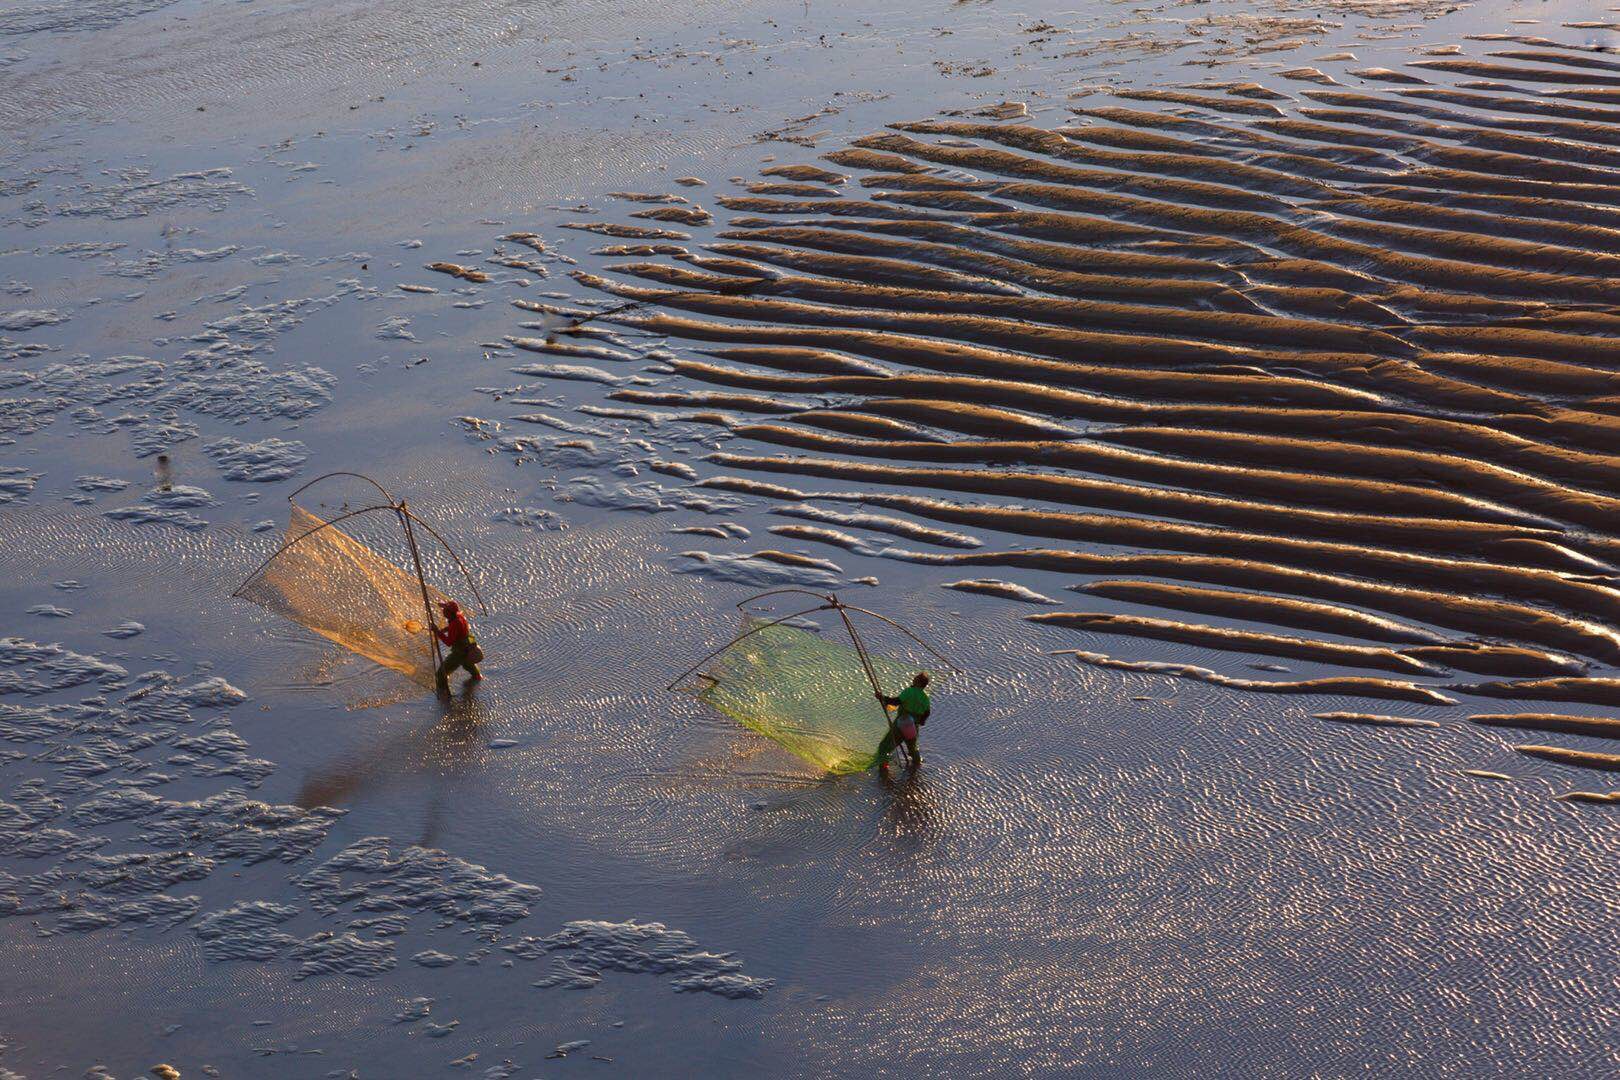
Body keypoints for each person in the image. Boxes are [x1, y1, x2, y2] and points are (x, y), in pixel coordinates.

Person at [875, 671, 930, 770]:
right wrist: (921, 721)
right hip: (913, 727)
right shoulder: (925, 697)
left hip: (901, 725)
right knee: (912, 748)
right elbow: (927, 713)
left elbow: (896, 702)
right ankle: (917, 765)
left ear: (918, 682)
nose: (913, 679)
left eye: (915, 678)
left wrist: (882, 698)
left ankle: (884, 767)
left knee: (884, 746)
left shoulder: (909, 691)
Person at [432, 599, 482, 695]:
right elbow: (456, 630)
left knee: (440, 673)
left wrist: (437, 632)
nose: (443, 611)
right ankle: (477, 678)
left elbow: (449, 642)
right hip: (467, 649)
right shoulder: (459, 617)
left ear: (449, 613)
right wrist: (445, 630)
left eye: (445, 609)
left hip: (459, 652)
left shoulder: (455, 623)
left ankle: (444, 693)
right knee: (468, 664)